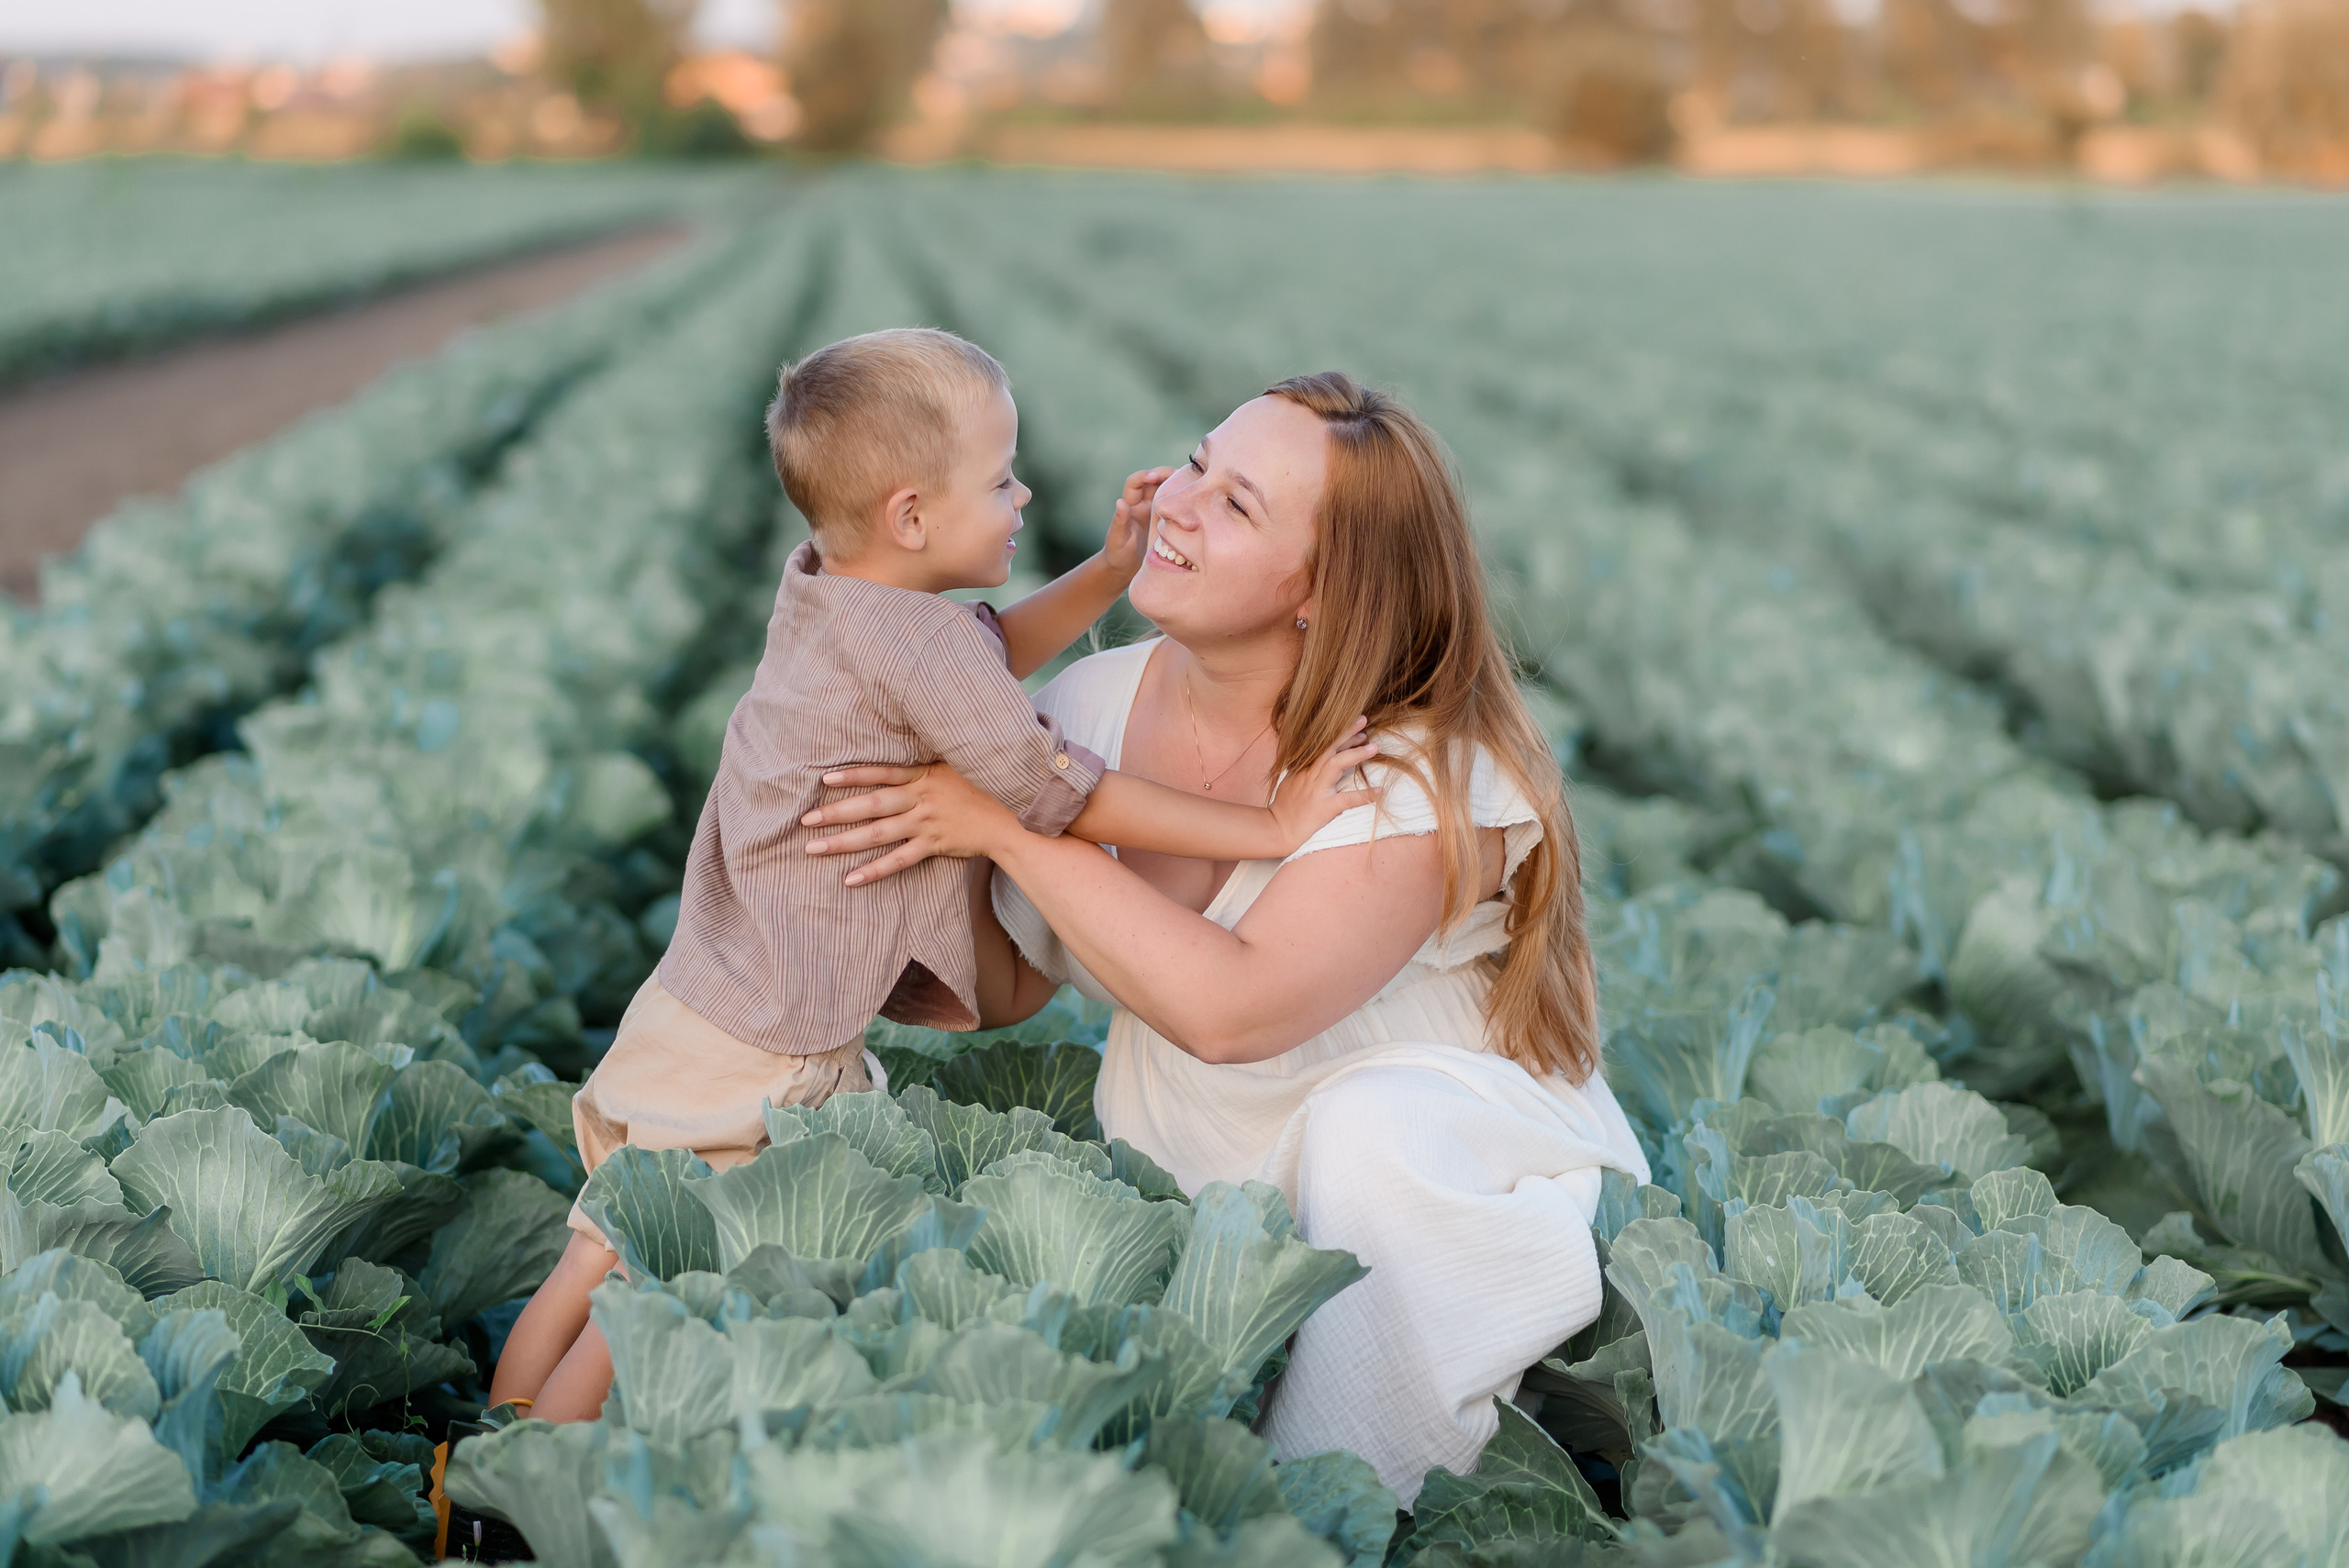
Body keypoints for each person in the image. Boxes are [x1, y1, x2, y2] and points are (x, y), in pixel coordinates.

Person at [490, 330, 1376, 1422]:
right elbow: (1061, 791)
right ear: (913, 518)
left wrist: (1104, 572)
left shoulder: (826, 590)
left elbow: (981, 652)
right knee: (654, 1281)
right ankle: (541, 1484)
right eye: (1001, 481)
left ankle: (478, 1471)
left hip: (685, 1007)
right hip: (771, 1041)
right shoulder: (922, 651)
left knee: (592, 1251)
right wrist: (1271, 821)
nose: (1023, 494)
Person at [799, 372, 1652, 1503]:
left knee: (1368, 1130)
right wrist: (898, 837)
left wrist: (1003, 822)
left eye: (1239, 503)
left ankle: (1358, 1485)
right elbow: (1007, 986)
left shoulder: (1410, 769)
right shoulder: (1089, 706)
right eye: (1199, 460)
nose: (1179, 502)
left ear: (1322, 588)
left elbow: (1231, 1010)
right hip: (1206, 1188)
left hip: (1443, 1187)